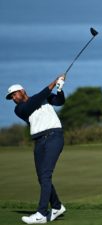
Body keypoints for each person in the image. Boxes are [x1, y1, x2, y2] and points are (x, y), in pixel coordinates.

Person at [6, 75, 66, 224]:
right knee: (41, 177)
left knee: (45, 175)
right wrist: (54, 82)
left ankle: (41, 213)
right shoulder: (19, 109)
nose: (13, 98)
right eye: (11, 97)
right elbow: (36, 100)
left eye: (15, 94)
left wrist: (59, 88)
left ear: (22, 91)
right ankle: (57, 207)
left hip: (54, 137)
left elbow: (59, 101)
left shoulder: (42, 98)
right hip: (39, 142)